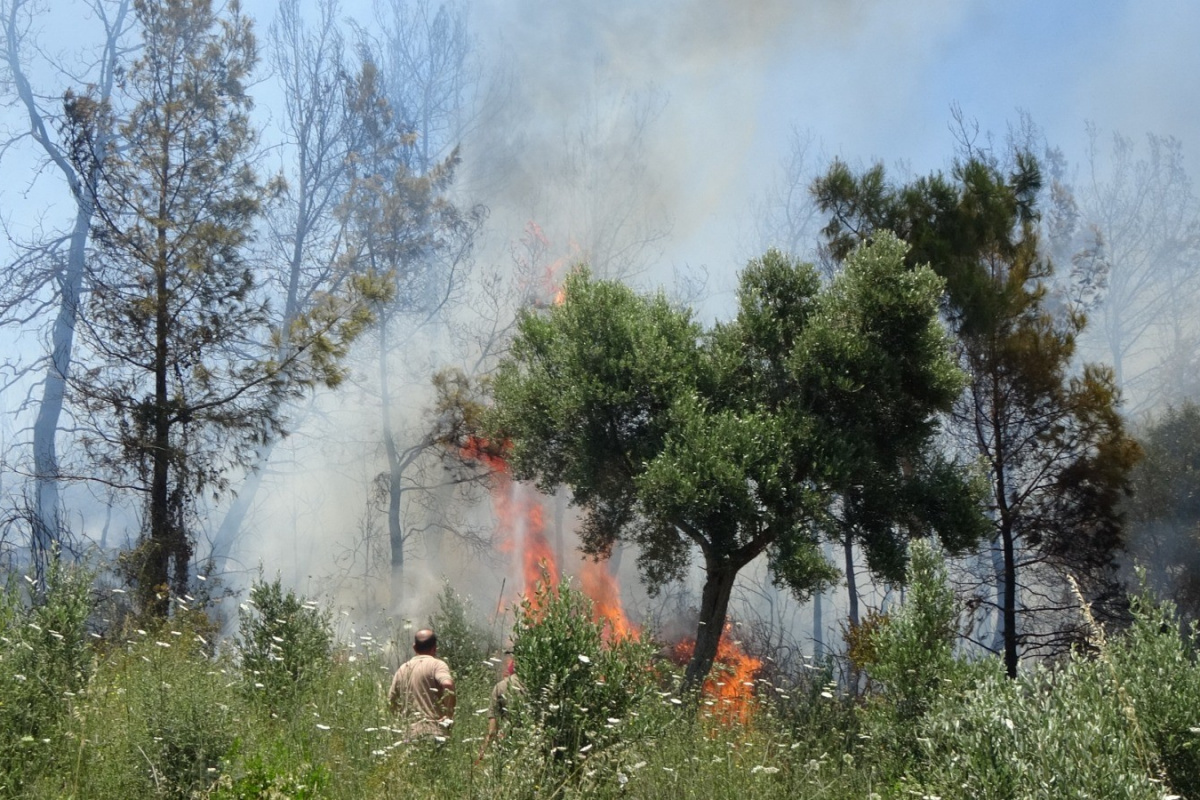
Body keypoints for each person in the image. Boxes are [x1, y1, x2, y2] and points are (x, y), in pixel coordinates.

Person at [389, 628, 456, 742]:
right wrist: (448, 715)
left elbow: (391, 700)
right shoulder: (437, 665)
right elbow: (448, 684)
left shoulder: (403, 669)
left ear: (414, 647)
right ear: (435, 648)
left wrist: (403, 721)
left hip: (410, 734)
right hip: (435, 731)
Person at [477, 652, 524, 761]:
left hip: (509, 744)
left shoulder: (500, 687)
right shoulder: (540, 685)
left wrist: (482, 752)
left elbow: (492, 730)